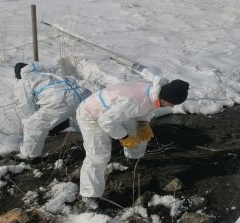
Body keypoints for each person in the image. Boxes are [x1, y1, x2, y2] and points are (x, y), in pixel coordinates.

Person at [76, 77, 189, 209]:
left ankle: (132, 160)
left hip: (115, 111)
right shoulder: (134, 101)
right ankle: (89, 196)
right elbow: (106, 121)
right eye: (171, 103)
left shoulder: (155, 91)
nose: (172, 106)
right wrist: (123, 137)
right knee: (98, 156)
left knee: (139, 135)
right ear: (163, 96)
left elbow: (145, 107)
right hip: (92, 115)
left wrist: (143, 123)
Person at [14, 62, 91, 161]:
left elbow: (25, 106)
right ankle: (104, 139)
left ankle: (29, 156)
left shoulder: (24, 81)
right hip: (84, 94)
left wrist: (29, 122)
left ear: (19, 75)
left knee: (33, 125)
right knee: (86, 121)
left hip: (61, 100)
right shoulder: (48, 73)